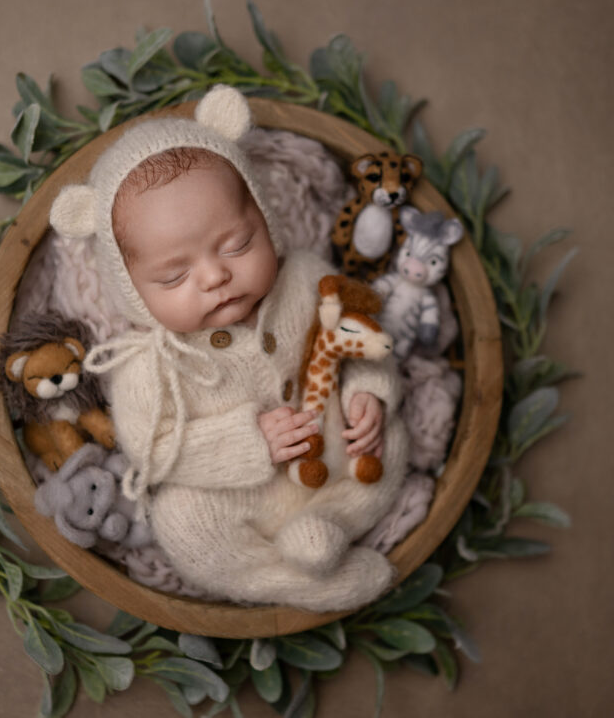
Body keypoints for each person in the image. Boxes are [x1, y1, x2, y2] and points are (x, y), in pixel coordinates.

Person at [49, 86, 409, 611]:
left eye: (237, 245)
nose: (217, 275)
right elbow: (156, 451)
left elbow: (363, 341)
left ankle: (330, 523)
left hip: (333, 453)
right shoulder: (150, 366)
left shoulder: (307, 279)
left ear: (265, 221)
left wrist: (371, 395)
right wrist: (249, 441)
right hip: (235, 500)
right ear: (132, 290)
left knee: (388, 442)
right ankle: (299, 581)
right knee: (181, 524)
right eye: (174, 275)